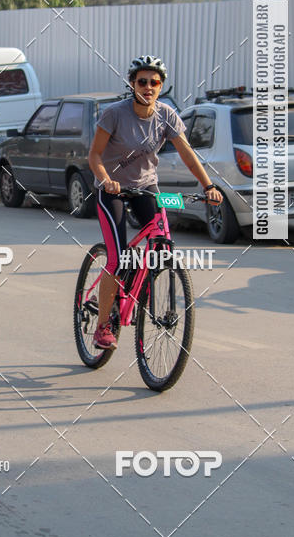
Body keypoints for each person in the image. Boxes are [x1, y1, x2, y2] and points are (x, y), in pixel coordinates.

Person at [88, 55, 222, 349]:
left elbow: (187, 154)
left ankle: (135, 289)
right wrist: (106, 179)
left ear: (161, 86)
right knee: (117, 257)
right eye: (142, 82)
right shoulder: (114, 114)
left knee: (161, 246)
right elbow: (94, 155)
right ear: (132, 84)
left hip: (146, 187)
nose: (148, 87)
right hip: (112, 190)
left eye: (154, 82)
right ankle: (103, 325)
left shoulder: (167, 115)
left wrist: (208, 186)